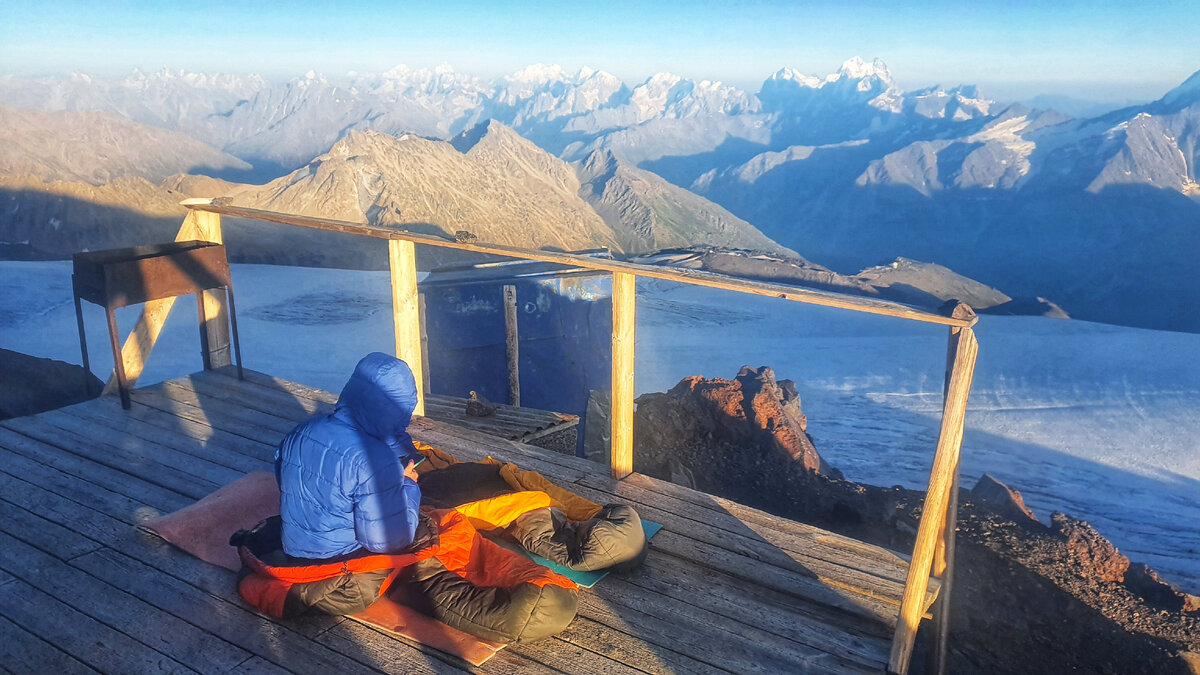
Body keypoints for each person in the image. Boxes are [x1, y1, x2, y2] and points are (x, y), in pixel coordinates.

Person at [269, 352, 425, 614]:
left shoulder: (302, 430)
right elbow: (388, 541)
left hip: (293, 554)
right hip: (339, 573)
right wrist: (406, 485)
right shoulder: (376, 459)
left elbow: (283, 480)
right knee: (425, 535)